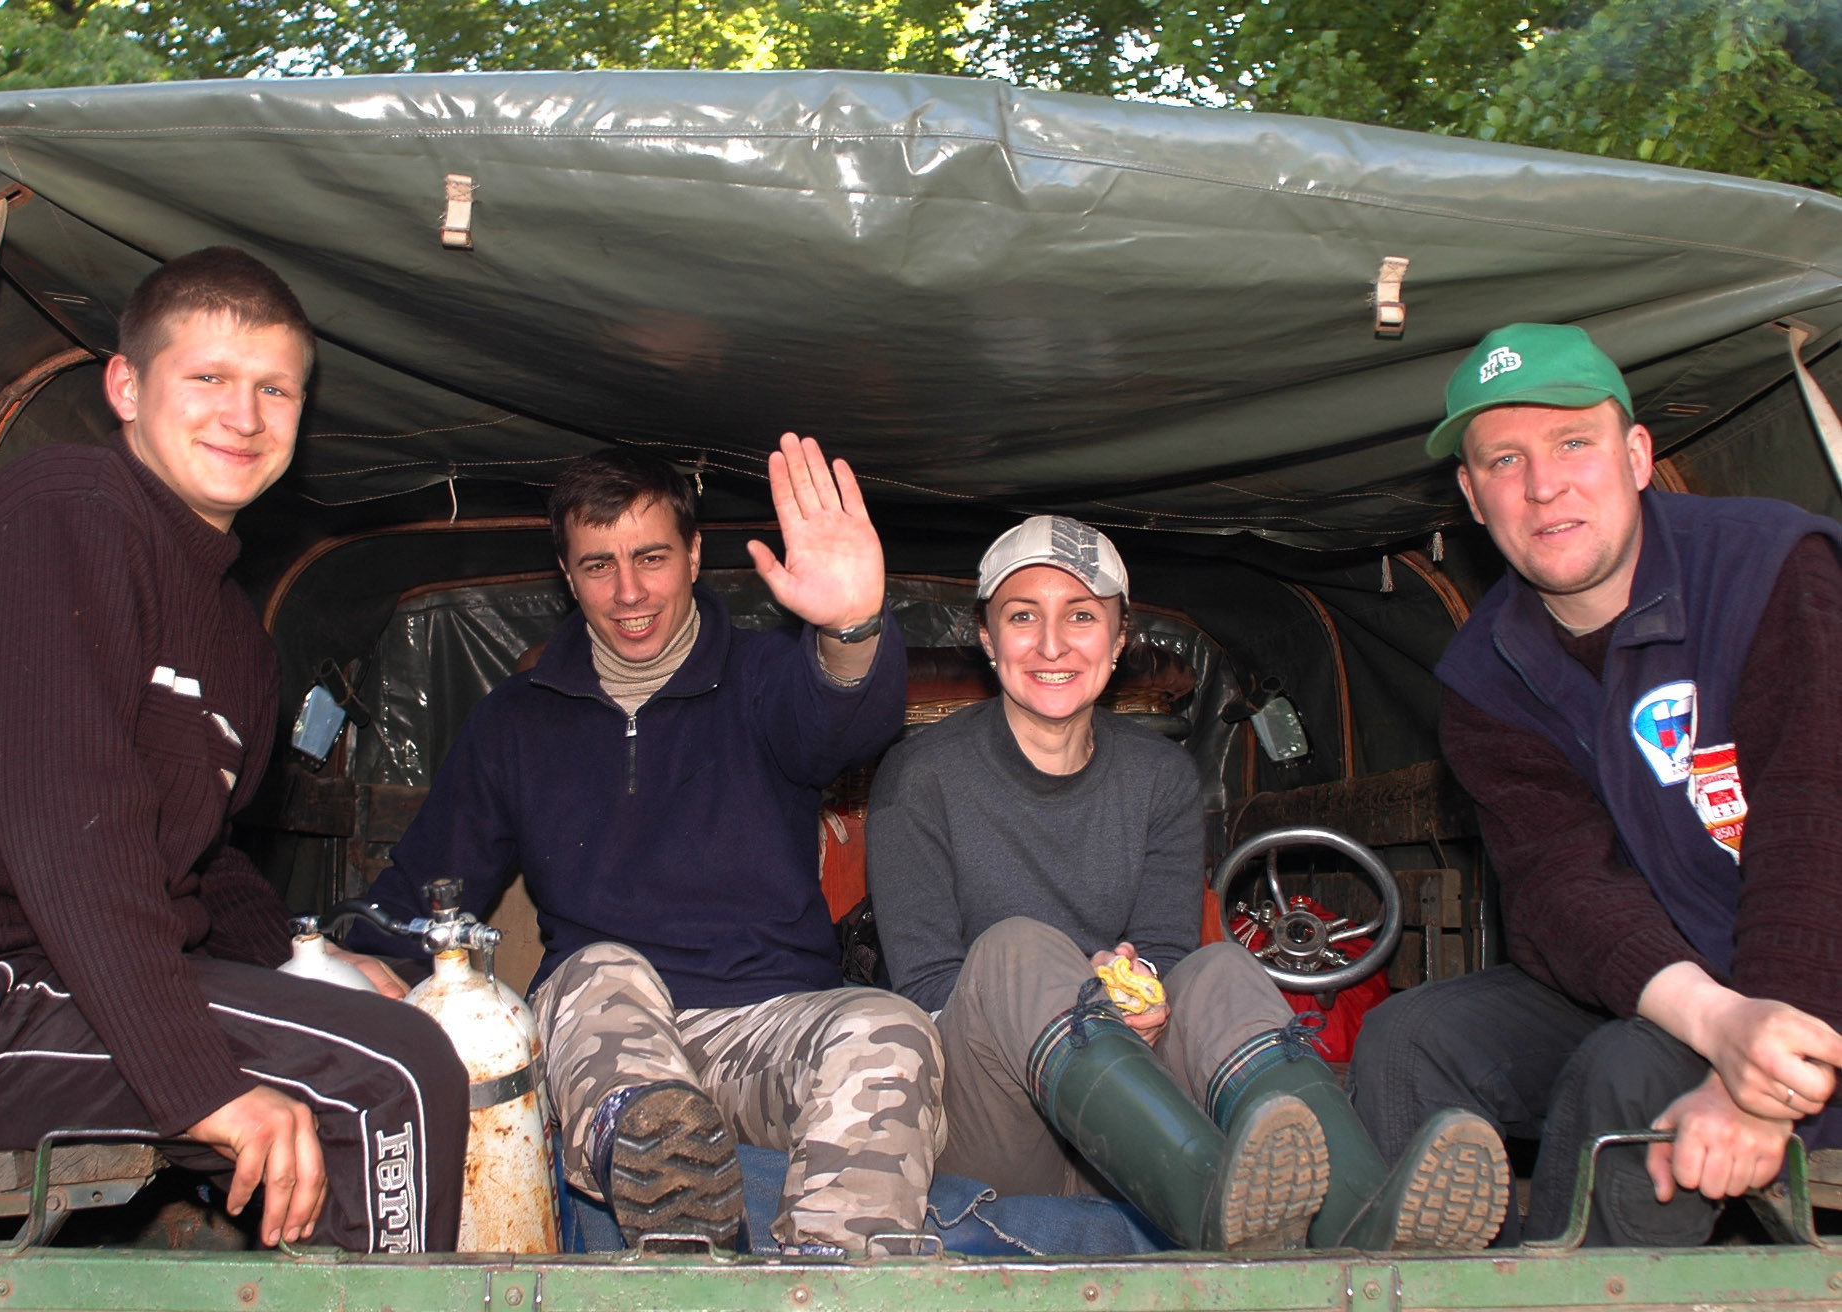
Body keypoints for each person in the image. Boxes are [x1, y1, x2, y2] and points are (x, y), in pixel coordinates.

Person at [0, 248, 467, 1254]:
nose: (242, 415)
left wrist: (309, 957)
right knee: (393, 1072)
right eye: (207, 376)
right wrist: (201, 1087)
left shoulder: (234, 636)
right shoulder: (67, 513)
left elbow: (204, 861)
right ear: (127, 387)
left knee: (404, 1030)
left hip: (75, 981)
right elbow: (71, 835)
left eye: (274, 389)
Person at [353, 440, 942, 1255]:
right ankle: (672, 1203)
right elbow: (430, 885)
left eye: (651, 557)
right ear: (567, 576)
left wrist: (850, 627)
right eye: (598, 565)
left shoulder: (764, 676)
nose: (628, 592)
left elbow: (844, 725)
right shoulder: (517, 720)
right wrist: (348, 959)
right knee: (597, 967)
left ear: (694, 555)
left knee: (890, 1025)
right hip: (604, 1042)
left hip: (761, 1027)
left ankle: (832, 1282)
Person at [867, 515, 1509, 1252]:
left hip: (1132, 1119)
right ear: (986, 638)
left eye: (1081, 616)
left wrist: (1140, 992)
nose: (1051, 645)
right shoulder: (920, 777)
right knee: (1015, 949)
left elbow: (1167, 955)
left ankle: (1367, 1220)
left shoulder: (1161, 777)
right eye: (1022, 616)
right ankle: (1211, 1204)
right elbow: (927, 988)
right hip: (991, 1116)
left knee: (1221, 967)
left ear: (1118, 640)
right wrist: (1081, 996)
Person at [1349, 323, 1842, 1246]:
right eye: (1504, 461)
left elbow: (1817, 834)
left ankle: (1569, 1305)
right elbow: (1560, 884)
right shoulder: (1484, 674)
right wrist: (1715, 1019)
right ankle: (1439, 1300)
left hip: (1814, 987)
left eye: (1572, 441)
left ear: (1636, 454)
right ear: (1471, 497)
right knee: (1404, 1042)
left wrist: (1756, 1082)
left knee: (1624, 1072)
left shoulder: (1769, 572)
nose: (1543, 486)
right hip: (1685, 989)